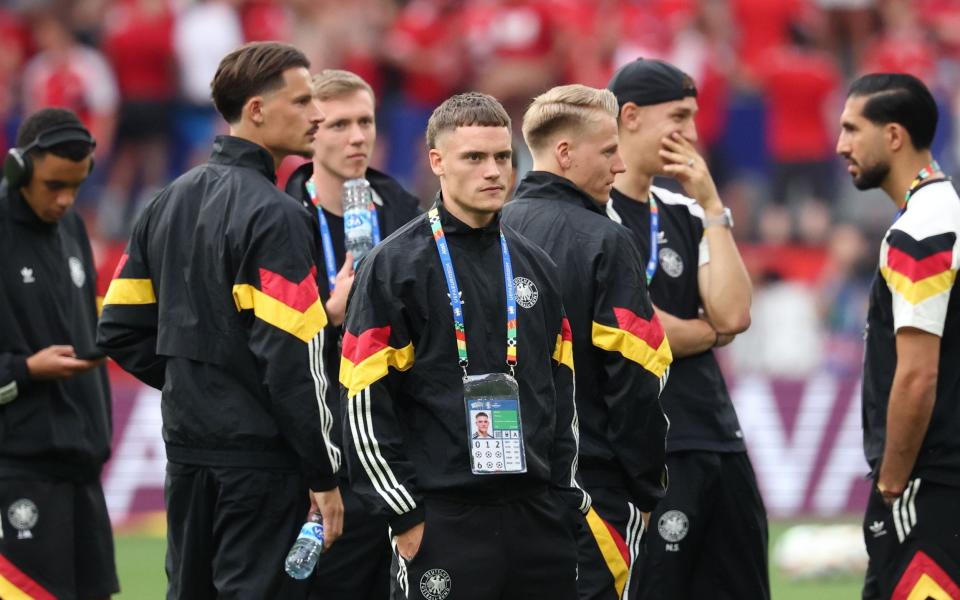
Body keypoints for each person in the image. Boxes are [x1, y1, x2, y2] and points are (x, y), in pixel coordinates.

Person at [97, 42, 344, 599]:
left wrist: (199, 385)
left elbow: (118, 327)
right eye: (303, 101)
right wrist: (324, 476)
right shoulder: (277, 214)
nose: (318, 114)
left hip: (186, 456)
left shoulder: (167, 200)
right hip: (260, 467)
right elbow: (292, 362)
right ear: (256, 110)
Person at [340, 91, 585, 600]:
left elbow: (562, 394)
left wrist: (563, 497)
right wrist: (404, 513)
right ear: (438, 162)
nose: (493, 171)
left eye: (502, 157)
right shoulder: (395, 266)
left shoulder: (536, 264)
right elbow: (364, 401)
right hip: (443, 518)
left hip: (538, 518)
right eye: (474, 157)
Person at [605, 58, 767, 600]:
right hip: (649, 449)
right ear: (630, 116)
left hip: (718, 436)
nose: (692, 134)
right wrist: (708, 332)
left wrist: (713, 204)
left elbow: (735, 315)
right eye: (678, 116)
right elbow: (649, 331)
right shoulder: (590, 216)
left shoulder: (685, 210)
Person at [501, 84, 671, 600]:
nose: (620, 165)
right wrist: (645, 485)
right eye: (608, 150)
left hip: (499, 493)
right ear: (565, 153)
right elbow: (635, 378)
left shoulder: (487, 231)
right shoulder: (606, 240)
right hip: (590, 491)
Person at [283, 68, 420, 600]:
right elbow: (264, 344)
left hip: (395, 446)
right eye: (339, 124)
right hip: (322, 450)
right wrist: (330, 314)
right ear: (311, 130)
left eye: (366, 121)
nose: (358, 136)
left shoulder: (408, 212)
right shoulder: (281, 215)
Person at [836, 72, 960, 599]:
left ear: (893, 136)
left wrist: (891, 483)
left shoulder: (921, 230)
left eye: (851, 129)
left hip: (932, 484)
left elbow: (917, 374)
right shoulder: (946, 214)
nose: (840, 145)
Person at [0, 108, 117, 600]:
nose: (65, 199)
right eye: (53, 185)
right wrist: (26, 370)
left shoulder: (72, 229)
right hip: (18, 469)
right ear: (19, 170)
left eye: (76, 185)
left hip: (82, 466)